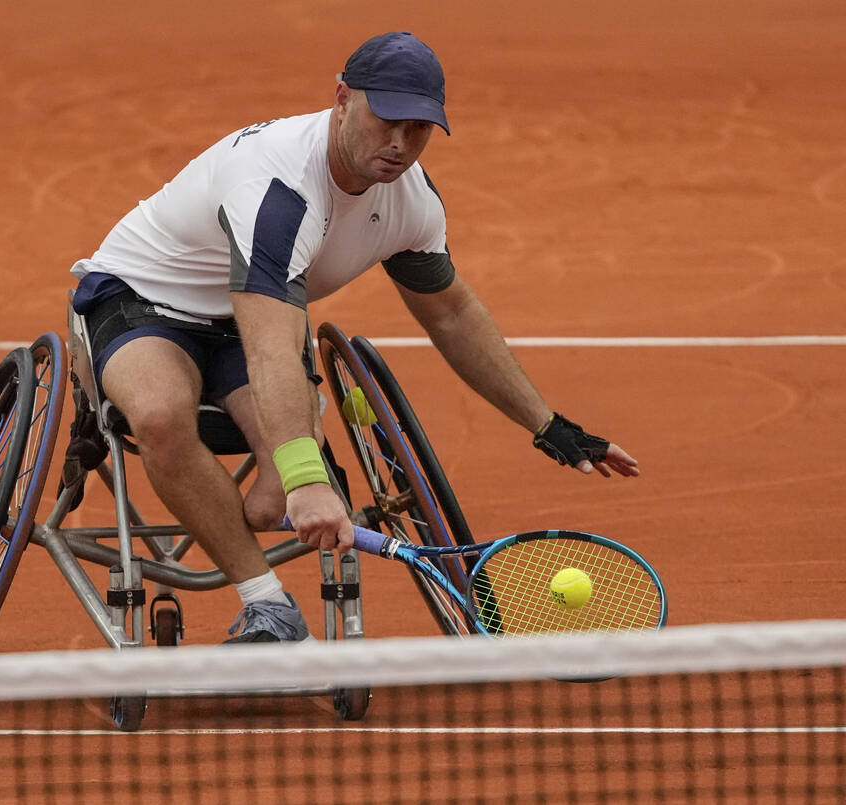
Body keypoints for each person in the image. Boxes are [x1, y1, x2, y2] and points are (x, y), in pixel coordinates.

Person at [69, 31, 639, 643]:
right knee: (161, 416)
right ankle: (267, 603)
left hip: (247, 322)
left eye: (419, 129)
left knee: (268, 501)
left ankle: (230, 526)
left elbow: (448, 313)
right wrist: (308, 477)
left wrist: (545, 423)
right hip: (142, 303)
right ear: (343, 99)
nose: (399, 144)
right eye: (386, 119)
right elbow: (270, 349)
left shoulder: (410, 203)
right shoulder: (280, 189)